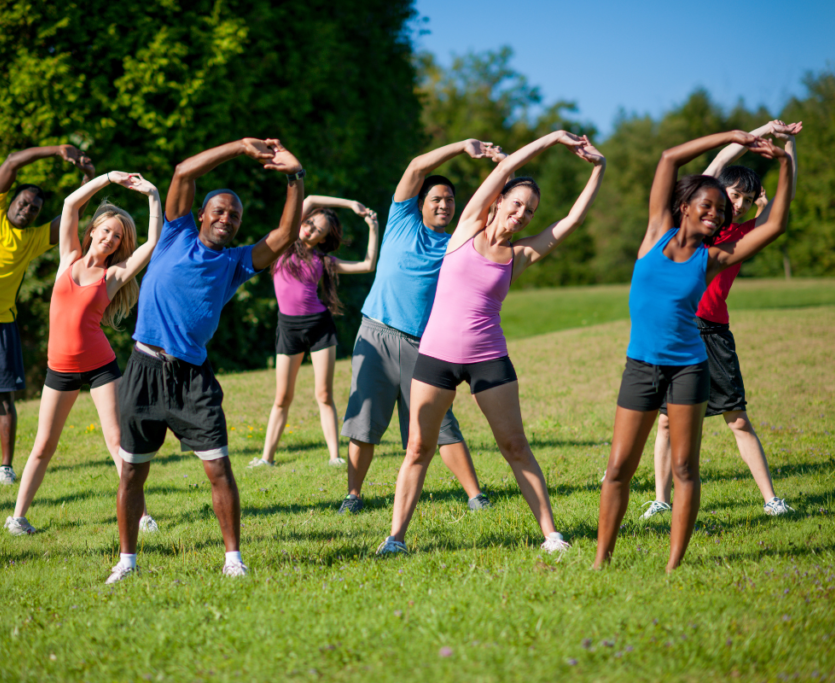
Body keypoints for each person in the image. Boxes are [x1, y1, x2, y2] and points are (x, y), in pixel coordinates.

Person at [376, 132, 606, 555]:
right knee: (418, 449)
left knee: (515, 446)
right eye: (516, 203)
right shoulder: (466, 228)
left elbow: (570, 222)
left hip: (488, 358)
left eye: (530, 211)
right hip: (436, 356)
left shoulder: (519, 255)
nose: (522, 214)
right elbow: (502, 169)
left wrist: (598, 169)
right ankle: (395, 539)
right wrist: (554, 138)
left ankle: (552, 535)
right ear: (498, 200)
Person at [594, 130, 795, 572]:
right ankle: (600, 562)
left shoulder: (712, 258)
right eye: (708, 205)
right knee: (617, 470)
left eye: (720, 210)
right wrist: (733, 136)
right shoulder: (653, 236)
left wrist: (784, 163)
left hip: (688, 368)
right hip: (640, 366)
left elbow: (776, 225)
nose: (715, 213)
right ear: (683, 207)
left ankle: (673, 566)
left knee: (686, 469)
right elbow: (667, 158)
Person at [106, 138, 305, 584]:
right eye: (218, 210)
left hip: (192, 376)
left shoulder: (235, 263)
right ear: (201, 215)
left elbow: (285, 236)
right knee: (132, 472)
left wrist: (295, 178)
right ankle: (127, 561)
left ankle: (233, 559)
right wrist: (239, 147)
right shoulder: (174, 233)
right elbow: (183, 172)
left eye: (233, 215)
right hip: (142, 368)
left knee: (218, 468)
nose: (226, 218)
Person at [641, 120, 801, 521]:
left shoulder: (742, 233)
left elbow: (781, 208)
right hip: (678, 328)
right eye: (735, 195)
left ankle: (770, 499)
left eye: (748, 198)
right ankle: (660, 500)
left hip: (713, 331)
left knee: (737, 418)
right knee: (664, 423)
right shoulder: (697, 222)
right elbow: (713, 166)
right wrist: (753, 133)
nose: (741, 204)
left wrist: (788, 147)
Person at [338, 139, 505, 515]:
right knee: (363, 423)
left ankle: (476, 495)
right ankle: (354, 495)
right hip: (376, 335)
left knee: (442, 424)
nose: (444, 205)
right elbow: (415, 168)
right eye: (436, 199)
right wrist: (464, 146)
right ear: (420, 204)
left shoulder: (456, 245)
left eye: (449, 200)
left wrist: (504, 167)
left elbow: (494, 215)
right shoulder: (401, 221)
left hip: (424, 346)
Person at [4, 171, 163, 536]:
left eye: (117, 236)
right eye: (105, 230)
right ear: (92, 230)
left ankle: (141, 515)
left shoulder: (114, 275)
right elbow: (70, 204)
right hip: (59, 369)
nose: (110, 238)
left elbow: (152, 242)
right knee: (44, 445)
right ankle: (18, 517)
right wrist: (108, 178)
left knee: (117, 442)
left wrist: (152, 194)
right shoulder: (68, 258)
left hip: (101, 366)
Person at [0, 144, 95, 489]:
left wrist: (90, 177)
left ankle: (4, 467)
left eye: (34, 208)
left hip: (1, 323)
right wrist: (57, 150)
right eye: (24, 202)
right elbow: (13, 161)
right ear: (10, 200)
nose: (28, 210)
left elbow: (71, 215)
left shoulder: (31, 239)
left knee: (4, 399)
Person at [252, 196, 379, 467]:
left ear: (323, 239)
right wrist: (351, 204)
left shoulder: (324, 260)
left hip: (320, 328)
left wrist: (372, 228)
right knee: (282, 398)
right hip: (288, 329)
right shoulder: (282, 243)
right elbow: (308, 198)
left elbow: (368, 265)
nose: (309, 229)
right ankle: (266, 458)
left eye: (317, 230)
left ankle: (335, 456)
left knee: (324, 395)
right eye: (309, 223)